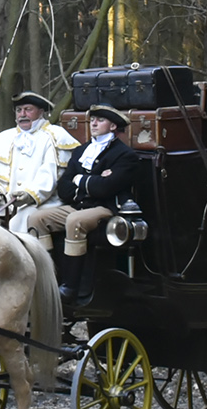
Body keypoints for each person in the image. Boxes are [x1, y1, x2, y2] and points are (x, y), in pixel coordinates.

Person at [28, 104, 146, 308]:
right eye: (92, 119)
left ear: (112, 127)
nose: (93, 123)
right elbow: (64, 187)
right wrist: (92, 180)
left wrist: (80, 180)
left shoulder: (124, 155)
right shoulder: (82, 151)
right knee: (36, 219)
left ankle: (71, 287)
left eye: (100, 120)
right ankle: (49, 281)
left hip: (106, 209)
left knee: (75, 221)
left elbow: (106, 189)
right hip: (79, 205)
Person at [0, 90, 77, 232]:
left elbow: (52, 173)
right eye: (19, 110)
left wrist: (30, 195)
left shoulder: (55, 135)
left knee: (22, 222)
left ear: (41, 112)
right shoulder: (3, 137)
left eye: (28, 110)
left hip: (42, 203)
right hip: (5, 203)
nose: (22, 114)